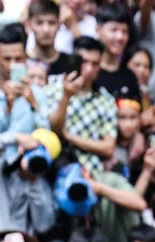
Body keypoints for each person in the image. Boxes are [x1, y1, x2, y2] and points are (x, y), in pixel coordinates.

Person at [45, 36, 118, 175]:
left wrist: (70, 137)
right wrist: (66, 96)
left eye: (95, 63)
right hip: (54, 170)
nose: (89, 69)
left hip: (91, 173)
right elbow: (53, 128)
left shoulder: (106, 100)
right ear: (73, 60)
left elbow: (108, 148)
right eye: (84, 62)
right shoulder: (52, 88)